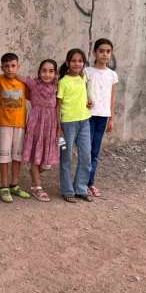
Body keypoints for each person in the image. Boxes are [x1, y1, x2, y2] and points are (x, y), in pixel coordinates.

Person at [17, 59, 59, 202]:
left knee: (47, 163)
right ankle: (37, 187)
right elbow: (15, 75)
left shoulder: (56, 87)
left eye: (51, 71)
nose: (47, 74)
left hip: (50, 127)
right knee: (35, 156)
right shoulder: (33, 84)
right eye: (44, 71)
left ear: (55, 73)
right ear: (39, 72)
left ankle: (34, 173)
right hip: (36, 125)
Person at [57, 48, 93, 203]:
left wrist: (88, 100)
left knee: (86, 156)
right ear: (67, 63)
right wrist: (58, 126)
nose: (77, 63)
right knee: (66, 156)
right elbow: (57, 106)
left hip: (85, 121)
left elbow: (84, 94)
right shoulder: (63, 81)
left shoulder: (83, 78)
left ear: (83, 63)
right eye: (73, 61)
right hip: (67, 124)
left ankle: (81, 188)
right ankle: (67, 190)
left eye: (80, 61)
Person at [0, 53, 31, 203]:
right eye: (7, 66)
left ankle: (14, 185)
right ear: (2, 67)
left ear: (18, 66)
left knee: (17, 157)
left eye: (13, 66)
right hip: (4, 125)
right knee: (4, 157)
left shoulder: (23, 83)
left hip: (20, 125)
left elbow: (34, 97)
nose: (10, 69)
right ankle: (4, 187)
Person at [85, 38, 118, 197]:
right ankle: (81, 183)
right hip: (88, 116)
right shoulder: (87, 72)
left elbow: (112, 98)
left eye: (108, 51)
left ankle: (90, 183)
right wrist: (86, 100)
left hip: (103, 117)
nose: (105, 54)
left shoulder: (112, 75)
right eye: (101, 51)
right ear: (95, 53)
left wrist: (111, 118)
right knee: (86, 150)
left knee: (95, 152)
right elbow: (81, 93)